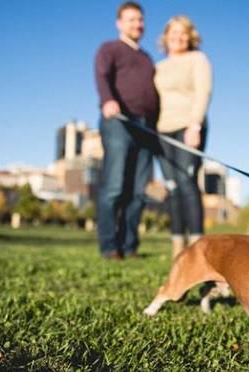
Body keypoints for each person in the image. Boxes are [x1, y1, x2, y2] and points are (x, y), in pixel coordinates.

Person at [94, 2, 159, 260]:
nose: (137, 24)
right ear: (119, 23)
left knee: (138, 191)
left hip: (146, 128)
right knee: (114, 186)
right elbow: (101, 76)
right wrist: (108, 100)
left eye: (140, 20)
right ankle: (110, 246)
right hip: (118, 121)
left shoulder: (146, 58)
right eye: (131, 19)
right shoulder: (109, 49)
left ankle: (129, 245)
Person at [154, 15, 213, 259]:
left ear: (190, 36)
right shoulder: (158, 67)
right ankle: (178, 248)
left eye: (183, 32)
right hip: (161, 130)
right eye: (173, 32)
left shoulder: (197, 59)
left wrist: (195, 124)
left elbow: (203, 91)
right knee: (172, 187)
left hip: (188, 126)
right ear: (166, 36)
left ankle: (198, 248)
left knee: (187, 183)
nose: (178, 36)